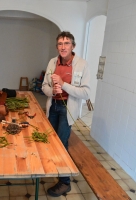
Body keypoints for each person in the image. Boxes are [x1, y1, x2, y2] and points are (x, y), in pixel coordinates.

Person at [42, 31, 90, 197]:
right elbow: (44, 87)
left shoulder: (82, 64)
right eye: (60, 44)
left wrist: (63, 85)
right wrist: (52, 91)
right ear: (57, 47)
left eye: (67, 43)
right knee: (51, 141)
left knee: (61, 144)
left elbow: (86, 93)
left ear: (73, 46)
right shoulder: (52, 62)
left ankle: (65, 182)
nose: (63, 47)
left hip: (66, 109)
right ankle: (52, 168)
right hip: (53, 105)